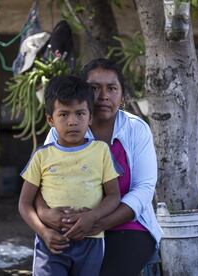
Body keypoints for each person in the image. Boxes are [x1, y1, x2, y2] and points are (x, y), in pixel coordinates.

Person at [36, 58, 163, 276]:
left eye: (112, 89)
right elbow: (40, 181)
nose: (103, 96)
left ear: (123, 97)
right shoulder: (63, 129)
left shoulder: (136, 129)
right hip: (72, 227)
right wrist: (45, 215)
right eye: (94, 88)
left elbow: (143, 190)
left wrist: (98, 222)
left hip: (127, 226)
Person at [18, 75, 122, 276]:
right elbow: (24, 204)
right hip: (52, 243)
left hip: (90, 241)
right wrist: (44, 231)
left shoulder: (101, 152)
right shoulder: (42, 156)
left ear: (90, 117)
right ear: (50, 119)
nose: (73, 121)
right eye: (64, 115)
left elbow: (113, 196)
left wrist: (93, 216)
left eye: (80, 113)